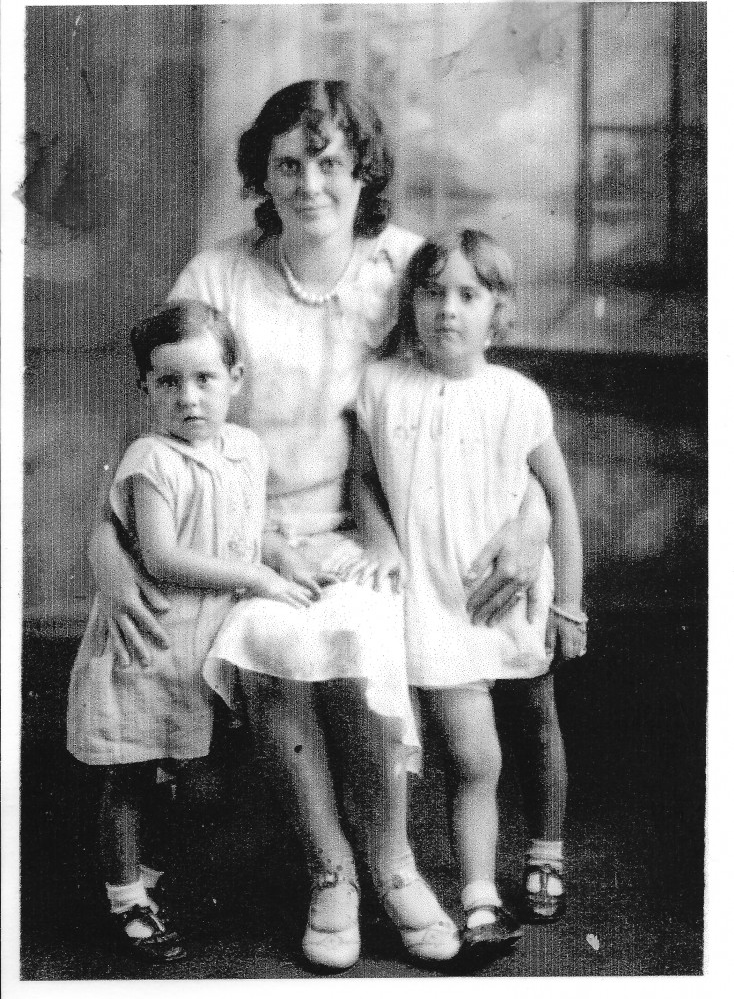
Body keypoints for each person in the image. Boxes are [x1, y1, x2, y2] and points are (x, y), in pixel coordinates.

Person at [86, 80, 551, 970]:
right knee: (273, 658)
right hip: (237, 543)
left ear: (362, 170)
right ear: (263, 172)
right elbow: (149, 430)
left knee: (365, 640)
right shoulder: (219, 275)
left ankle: (393, 865)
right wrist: (106, 544)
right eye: (288, 165)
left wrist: (530, 516)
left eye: (330, 163)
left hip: (372, 534)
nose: (309, 185)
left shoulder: (404, 268)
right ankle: (330, 870)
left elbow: (489, 407)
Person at [355, 229, 586, 957]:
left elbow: (559, 500)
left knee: (538, 720)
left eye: (468, 295)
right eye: (432, 293)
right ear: (411, 302)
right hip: (435, 601)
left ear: (498, 311)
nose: (447, 311)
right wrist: (383, 540)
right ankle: (478, 895)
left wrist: (569, 602)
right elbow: (362, 476)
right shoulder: (382, 385)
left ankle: (546, 847)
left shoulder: (516, 398)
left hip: (514, 595)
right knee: (473, 756)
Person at [67, 301, 320, 963]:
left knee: (190, 765)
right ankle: (126, 898)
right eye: (168, 382)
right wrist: (255, 577)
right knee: (130, 772)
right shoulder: (152, 459)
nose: (189, 398)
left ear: (235, 377)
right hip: (147, 644)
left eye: (205, 379)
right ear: (145, 388)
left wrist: (276, 554)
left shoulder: (245, 450)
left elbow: (242, 525)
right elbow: (162, 558)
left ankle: (150, 876)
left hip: (204, 645)